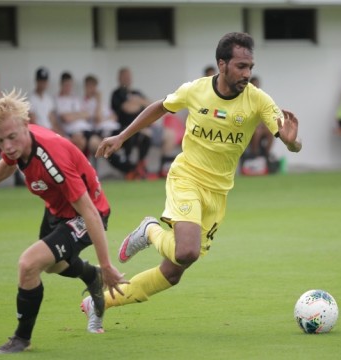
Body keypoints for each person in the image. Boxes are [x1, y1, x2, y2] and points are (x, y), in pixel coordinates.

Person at [81, 32, 302, 333]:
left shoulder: (258, 100)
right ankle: (150, 229)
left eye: (250, 66)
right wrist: (121, 137)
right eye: (240, 66)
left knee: (172, 273)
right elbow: (159, 107)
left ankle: (100, 303)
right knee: (186, 251)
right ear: (221, 65)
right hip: (186, 177)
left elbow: (287, 136)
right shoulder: (196, 91)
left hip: (218, 193)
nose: (247, 74)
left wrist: (292, 145)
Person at [0, 90, 127, 354]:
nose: (8, 146)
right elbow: (9, 162)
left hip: (85, 214)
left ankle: (21, 339)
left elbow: (90, 213)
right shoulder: (18, 140)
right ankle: (92, 276)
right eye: (0, 140)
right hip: (57, 211)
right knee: (54, 266)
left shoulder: (51, 159)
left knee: (28, 265)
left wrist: (107, 263)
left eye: (11, 137)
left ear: (26, 124)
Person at [110, 67, 152, 179]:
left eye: (128, 76)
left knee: (147, 136)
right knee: (129, 136)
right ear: (119, 78)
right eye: (124, 76)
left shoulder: (136, 93)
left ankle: (140, 165)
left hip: (141, 127)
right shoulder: (117, 94)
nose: (127, 79)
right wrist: (138, 104)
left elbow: (150, 105)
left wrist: (137, 101)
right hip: (123, 127)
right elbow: (127, 108)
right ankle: (130, 168)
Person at [56, 71, 99, 157]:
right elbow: (66, 118)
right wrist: (78, 114)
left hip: (86, 128)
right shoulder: (58, 100)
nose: (69, 87)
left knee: (99, 144)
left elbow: (87, 115)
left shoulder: (75, 98)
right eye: (66, 85)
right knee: (83, 144)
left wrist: (73, 115)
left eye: (70, 85)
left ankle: (124, 163)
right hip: (73, 131)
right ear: (61, 85)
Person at [28, 67, 62, 135]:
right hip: (39, 133)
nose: (43, 83)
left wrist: (58, 132)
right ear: (36, 81)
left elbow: (53, 119)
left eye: (45, 81)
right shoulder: (31, 99)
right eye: (41, 81)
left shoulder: (49, 99)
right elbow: (33, 121)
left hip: (51, 131)